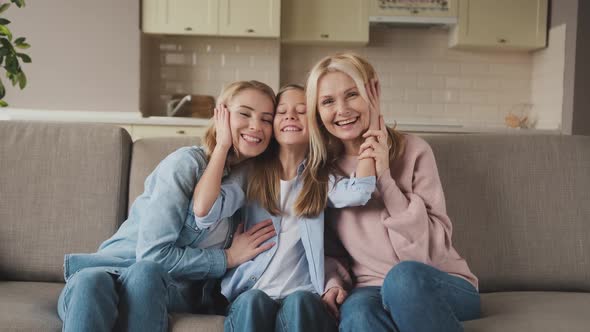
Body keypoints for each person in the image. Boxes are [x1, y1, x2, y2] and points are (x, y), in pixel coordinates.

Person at [57, 80, 277, 332]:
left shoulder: (255, 184)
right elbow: (153, 255)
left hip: (169, 290)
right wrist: (226, 257)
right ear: (221, 115)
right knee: (91, 280)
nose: (255, 126)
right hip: (114, 269)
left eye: (266, 119)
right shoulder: (185, 164)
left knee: (146, 275)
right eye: (245, 113)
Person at [305, 53, 481, 332]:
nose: (342, 109)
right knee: (359, 315)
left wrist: (385, 178)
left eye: (352, 94)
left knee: (402, 279)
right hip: (369, 289)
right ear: (317, 112)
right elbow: (328, 250)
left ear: (372, 96)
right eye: (327, 101)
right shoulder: (323, 173)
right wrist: (333, 283)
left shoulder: (415, 150)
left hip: (436, 280)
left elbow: (430, 248)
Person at [198, 84, 376, 332]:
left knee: (301, 303)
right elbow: (205, 212)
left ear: (315, 124)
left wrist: (371, 131)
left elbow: (360, 192)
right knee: (252, 301)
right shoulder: (252, 173)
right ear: (272, 126)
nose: (291, 115)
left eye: (301, 111)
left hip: (302, 293)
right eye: (281, 112)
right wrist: (222, 145)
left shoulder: (320, 179)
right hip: (252, 291)